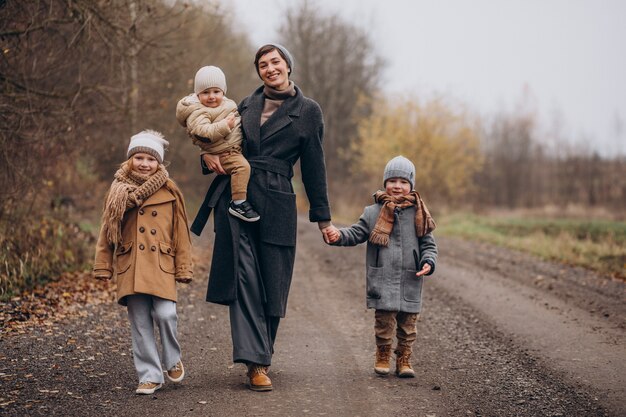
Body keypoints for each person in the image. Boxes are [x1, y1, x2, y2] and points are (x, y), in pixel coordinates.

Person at [191, 44, 336, 391]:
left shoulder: (308, 111)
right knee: (243, 278)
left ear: (287, 65)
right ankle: (254, 362)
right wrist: (206, 160)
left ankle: (263, 350)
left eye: (275, 62)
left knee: (273, 280)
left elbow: (315, 167)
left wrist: (324, 219)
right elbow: (218, 138)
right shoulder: (245, 104)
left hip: (278, 200)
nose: (269, 68)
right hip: (236, 195)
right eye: (262, 64)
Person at [92, 130, 193, 395]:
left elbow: (181, 233)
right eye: (139, 157)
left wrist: (183, 267)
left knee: (166, 313)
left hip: (161, 263)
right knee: (139, 323)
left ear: (159, 163)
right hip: (131, 264)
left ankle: (171, 358)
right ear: (130, 159)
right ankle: (149, 375)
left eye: (150, 158)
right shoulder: (116, 193)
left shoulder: (170, 191)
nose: (144, 163)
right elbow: (106, 232)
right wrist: (103, 265)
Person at [326, 156, 438, 378]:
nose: (397, 186)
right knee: (384, 323)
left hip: (410, 277)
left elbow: (428, 244)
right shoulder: (372, 212)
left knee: (408, 325)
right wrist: (338, 234)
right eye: (393, 180)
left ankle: (404, 359)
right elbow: (356, 233)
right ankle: (383, 355)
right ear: (385, 182)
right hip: (383, 276)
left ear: (411, 185)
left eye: (403, 182)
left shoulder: (420, 213)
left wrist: (428, 261)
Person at [176, 65, 260, 222]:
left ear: (223, 92)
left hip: (232, 148)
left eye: (216, 91)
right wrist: (225, 126)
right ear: (197, 94)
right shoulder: (198, 111)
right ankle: (239, 203)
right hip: (224, 153)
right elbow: (203, 132)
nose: (212, 97)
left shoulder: (227, 104)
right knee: (242, 167)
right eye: (205, 92)